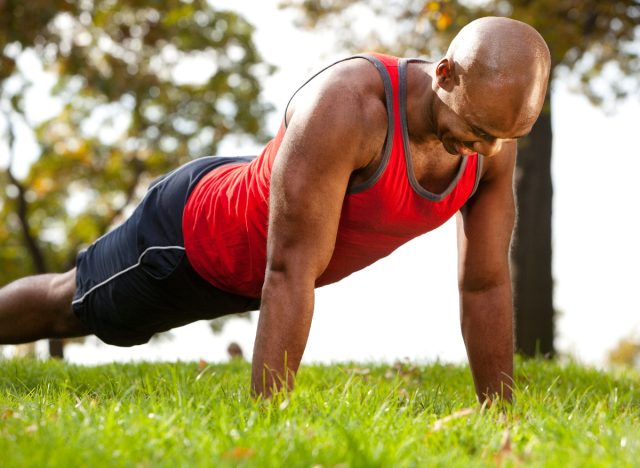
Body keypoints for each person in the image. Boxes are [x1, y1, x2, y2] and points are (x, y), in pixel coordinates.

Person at [0, 17, 550, 403]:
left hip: (264, 246)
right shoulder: (349, 107)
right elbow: (288, 272)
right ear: (445, 74)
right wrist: (271, 426)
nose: (489, 149)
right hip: (193, 239)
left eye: (506, 136)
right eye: (478, 130)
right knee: (70, 306)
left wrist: (496, 418)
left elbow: (484, 285)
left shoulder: (490, 136)